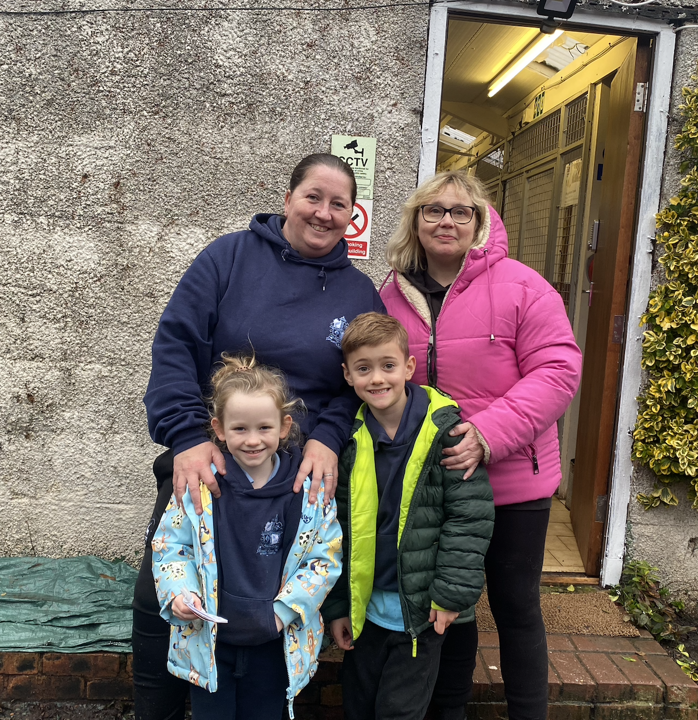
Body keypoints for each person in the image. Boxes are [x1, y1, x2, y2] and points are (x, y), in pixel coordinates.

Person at [133, 153, 384, 720]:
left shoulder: (359, 294)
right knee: (159, 595)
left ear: (352, 216)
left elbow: (359, 384)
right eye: (313, 197)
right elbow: (174, 347)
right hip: (210, 457)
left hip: (297, 473)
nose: (323, 212)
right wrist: (187, 437)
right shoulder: (227, 258)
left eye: (338, 204)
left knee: (281, 594)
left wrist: (327, 437)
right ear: (288, 198)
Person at [380, 171, 583, 720]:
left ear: (480, 222)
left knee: (515, 606)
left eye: (460, 211)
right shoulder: (392, 295)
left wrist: (488, 435)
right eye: (433, 210)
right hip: (437, 484)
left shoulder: (523, 286)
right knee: (451, 608)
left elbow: (558, 371)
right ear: (416, 221)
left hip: (514, 481)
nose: (446, 221)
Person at [322, 312, 494, 720]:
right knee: (358, 707)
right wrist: (338, 606)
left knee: (399, 712)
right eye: (364, 369)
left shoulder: (446, 433)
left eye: (388, 365)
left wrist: (450, 596)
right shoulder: (350, 439)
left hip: (420, 614)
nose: (377, 379)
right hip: (366, 612)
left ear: (409, 367)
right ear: (348, 375)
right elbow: (338, 530)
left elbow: (469, 520)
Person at [152, 355, 342, 720]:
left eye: (264, 428)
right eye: (239, 429)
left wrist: (282, 614)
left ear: (284, 426)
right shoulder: (199, 487)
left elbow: (325, 558)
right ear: (219, 429)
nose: (253, 440)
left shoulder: (309, 493)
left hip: (275, 645)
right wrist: (180, 593)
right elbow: (170, 546)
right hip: (209, 646)